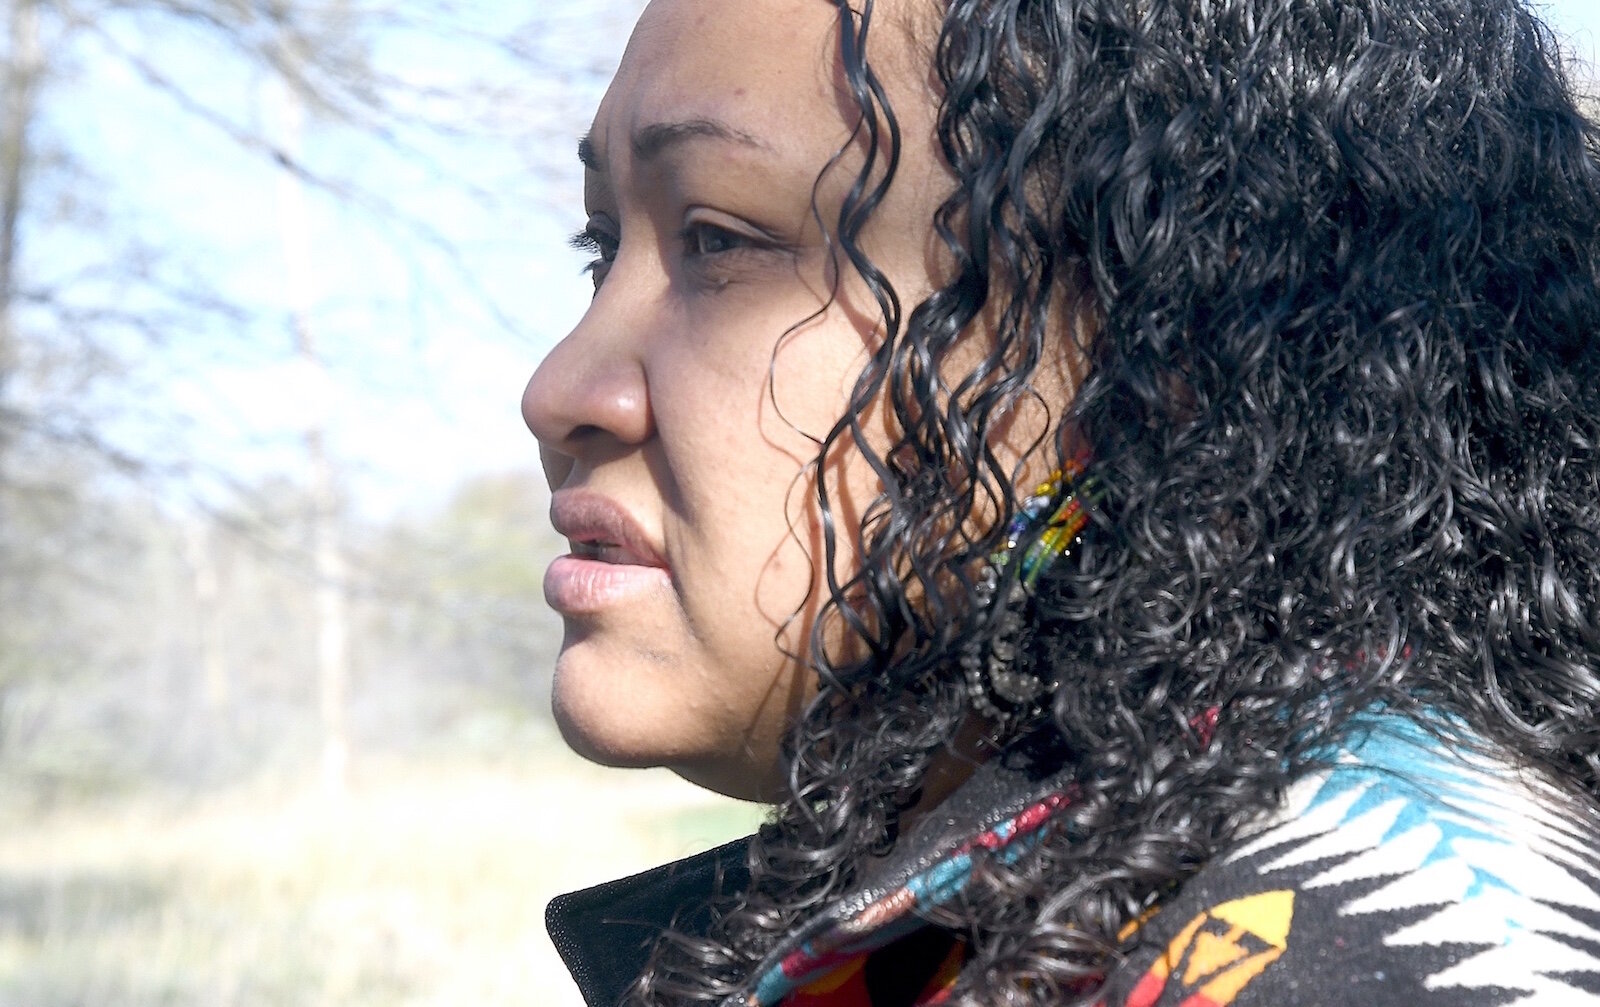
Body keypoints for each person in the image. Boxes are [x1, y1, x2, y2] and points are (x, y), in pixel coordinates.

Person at [524, 0, 1600, 1003]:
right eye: (602, 247)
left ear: (1172, 344)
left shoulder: (1371, 948)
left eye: (720, 238)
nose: (562, 392)